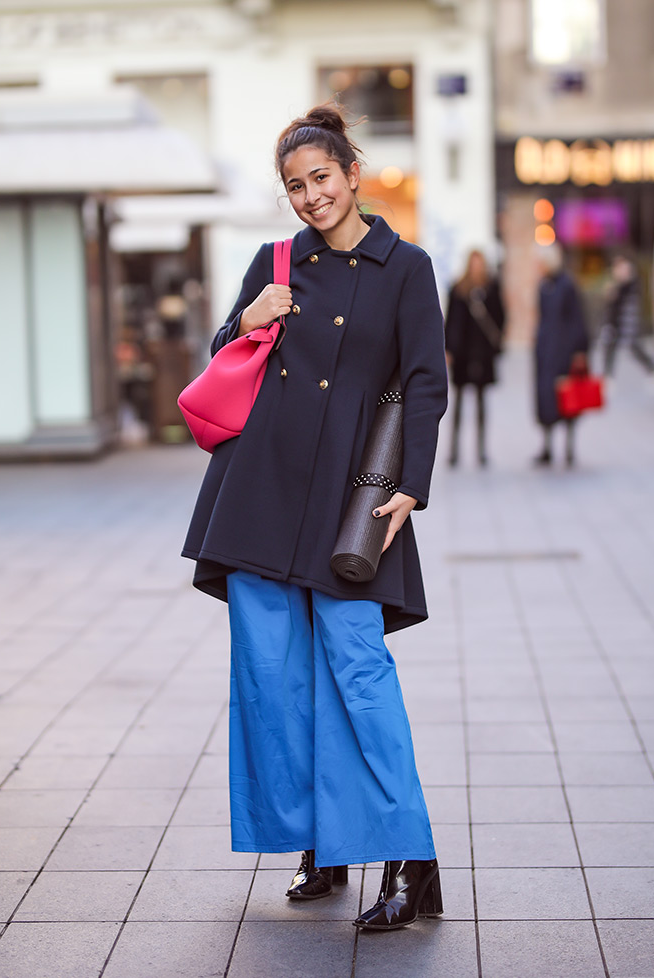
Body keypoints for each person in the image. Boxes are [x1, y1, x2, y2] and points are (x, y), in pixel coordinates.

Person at [181, 104, 448, 931]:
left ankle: (412, 859)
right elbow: (228, 355)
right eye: (295, 187)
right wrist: (244, 319)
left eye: (321, 179)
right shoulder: (276, 261)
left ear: (353, 174)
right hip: (259, 496)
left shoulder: (406, 266)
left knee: (358, 675)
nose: (309, 197)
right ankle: (320, 847)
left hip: (351, 503)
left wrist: (411, 484)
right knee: (273, 680)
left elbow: (426, 379)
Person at [444, 250, 504, 466]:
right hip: (463, 353)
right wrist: (448, 349)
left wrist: (497, 346)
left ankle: (481, 450)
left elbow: (500, 316)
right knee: (458, 402)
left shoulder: (491, 288)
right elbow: (451, 322)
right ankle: (454, 451)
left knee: (481, 402)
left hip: (483, 352)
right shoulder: (458, 289)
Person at [533, 243, 589, 467]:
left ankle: (569, 447)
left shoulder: (567, 286)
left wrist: (580, 350)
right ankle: (547, 446)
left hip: (564, 350)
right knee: (546, 398)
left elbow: (577, 319)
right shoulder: (543, 286)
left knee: (567, 398)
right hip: (546, 350)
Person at [601, 254, 654, 376]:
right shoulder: (618, 286)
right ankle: (608, 375)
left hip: (626, 325)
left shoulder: (630, 285)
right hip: (615, 325)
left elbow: (629, 309)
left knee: (633, 347)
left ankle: (653, 370)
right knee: (611, 349)